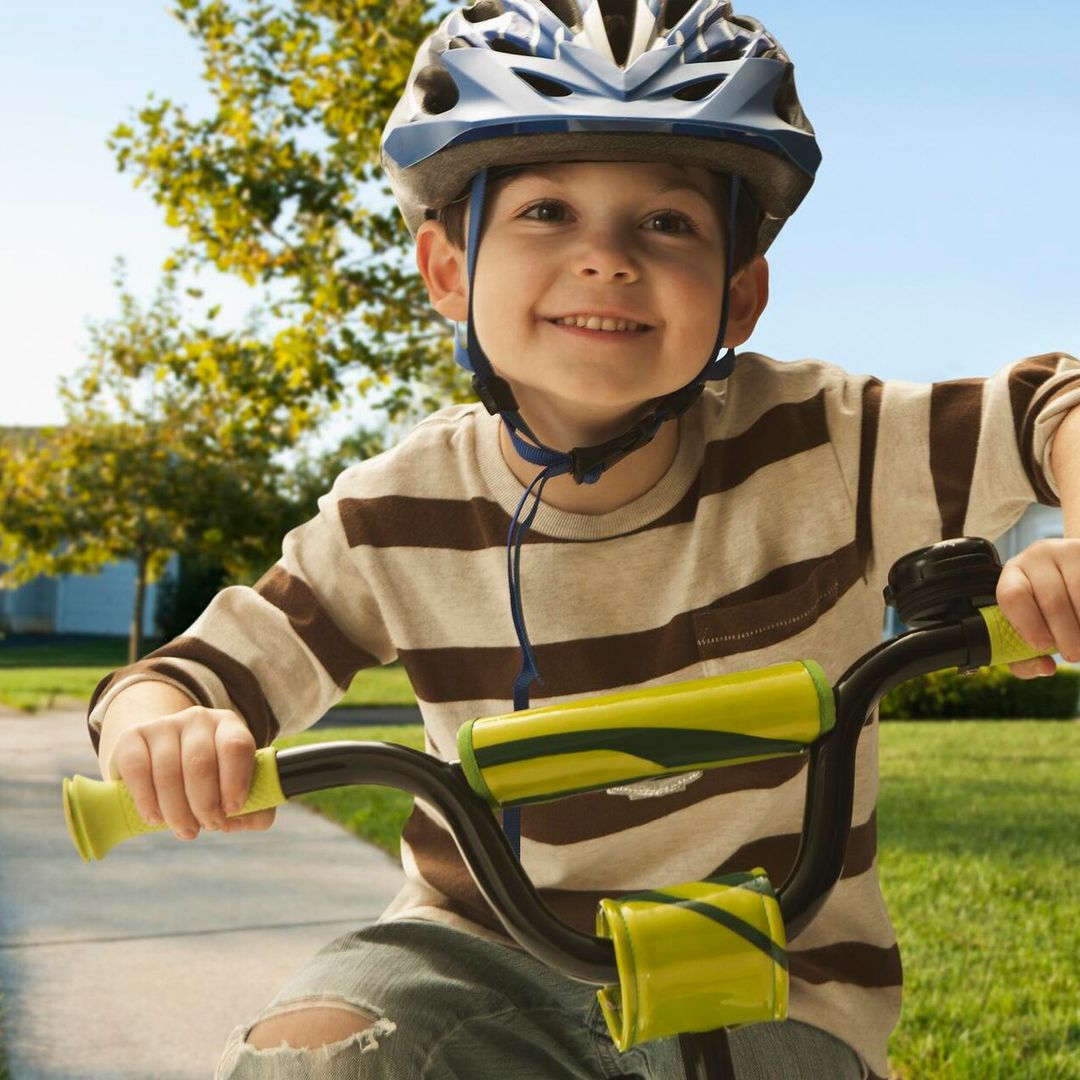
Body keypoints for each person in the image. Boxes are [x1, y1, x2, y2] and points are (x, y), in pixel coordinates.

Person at [87, 3, 1080, 1078]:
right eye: (549, 210)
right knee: (318, 1053)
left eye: (666, 224)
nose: (604, 258)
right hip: (479, 952)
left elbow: (1048, 406)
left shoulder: (827, 442)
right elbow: (194, 675)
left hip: (772, 970)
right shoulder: (395, 510)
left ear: (740, 295)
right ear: (448, 273)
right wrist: (164, 726)